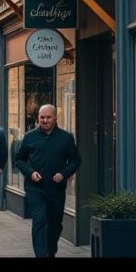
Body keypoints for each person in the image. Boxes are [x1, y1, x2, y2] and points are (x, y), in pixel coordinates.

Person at [14, 104, 81, 258]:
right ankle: (41, 254)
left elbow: (75, 160)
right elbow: (19, 160)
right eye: (41, 117)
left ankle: (50, 251)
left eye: (48, 117)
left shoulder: (66, 138)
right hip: (35, 188)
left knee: (55, 223)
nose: (44, 120)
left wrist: (63, 174)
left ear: (55, 117)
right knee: (40, 220)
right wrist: (30, 173)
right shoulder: (30, 137)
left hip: (56, 188)